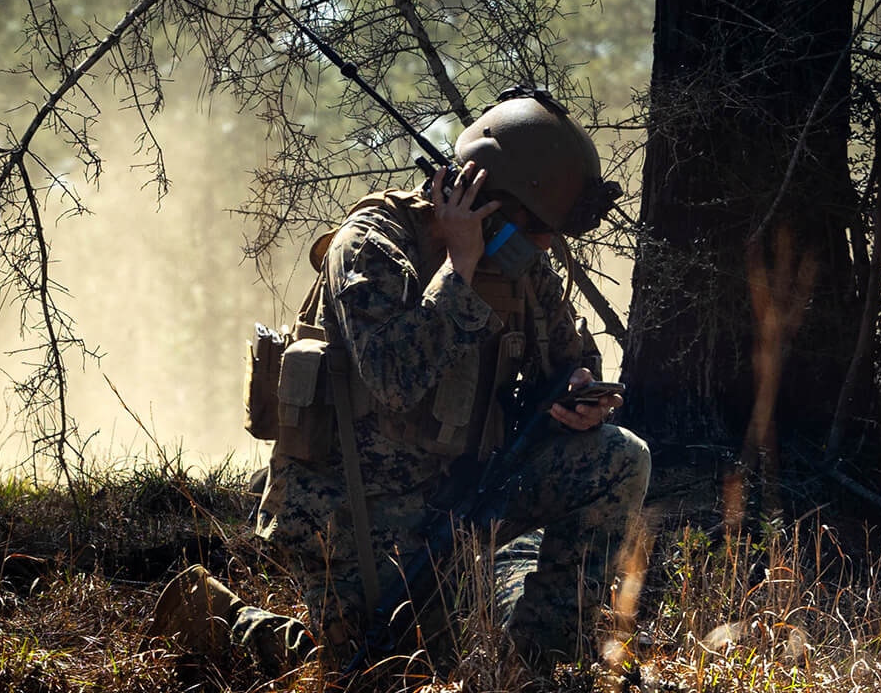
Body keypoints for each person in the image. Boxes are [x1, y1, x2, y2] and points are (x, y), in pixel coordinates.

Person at [147, 86, 650, 685]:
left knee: (619, 458)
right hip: (356, 514)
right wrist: (459, 268)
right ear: (487, 200)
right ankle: (213, 613)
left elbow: (571, 355)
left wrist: (577, 390)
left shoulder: (519, 261)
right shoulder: (373, 245)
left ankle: (542, 658)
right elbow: (393, 377)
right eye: (537, 230)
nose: (543, 248)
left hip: (461, 495)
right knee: (386, 673)